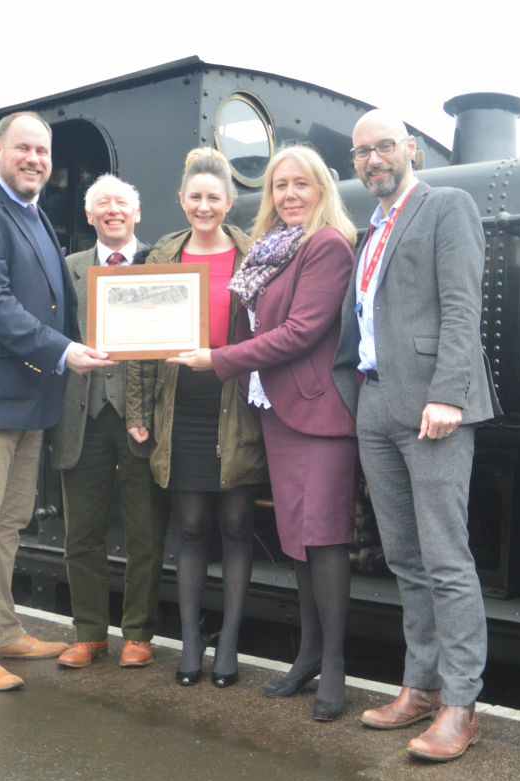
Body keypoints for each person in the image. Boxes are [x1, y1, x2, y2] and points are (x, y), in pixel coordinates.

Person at [170, 144, 359, 721]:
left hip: (319, 415)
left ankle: (335, 669)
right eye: (280, 186)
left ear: (323, 188)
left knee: (324, 541)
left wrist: (219, 359)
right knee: (299, 542)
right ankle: (307, 657)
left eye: (301, 184)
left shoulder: (326, 245)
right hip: (279, 413)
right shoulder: (275, 251)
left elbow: (301, 331)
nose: (290, 195)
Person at [332, 110, 500, 759]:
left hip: (432, 408)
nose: (373, 159)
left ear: (408, 150)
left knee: (446, 559)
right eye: (361, 152)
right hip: (375, 404)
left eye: (383, 147)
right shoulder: (369, 230)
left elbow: (462, 304)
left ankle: (461, 705)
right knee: (403, 557)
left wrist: (448, 395)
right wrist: (356, 403)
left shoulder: (445, 206)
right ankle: (421, 686)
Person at [0, 111, 114, 691]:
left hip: (26, 399)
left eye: (44, 151)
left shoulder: (34, 218)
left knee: (7, 523)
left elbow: (56, 302)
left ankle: (1, 629)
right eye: (25, 149)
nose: (36, 159)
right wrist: (64, 351)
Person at [125, 149, 268, 690]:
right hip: (181, 402)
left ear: (229, 203)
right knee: (189, 527)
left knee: (235, 526)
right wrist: (139, 412)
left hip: (237, 404)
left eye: (214, 198)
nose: (204, 206)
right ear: (182, 201)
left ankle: (228, 641)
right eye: (195, 197)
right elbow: (137, 346)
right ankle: (190, 639)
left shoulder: (255, 255)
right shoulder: (161, 257)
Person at [51, 175, 169, 670]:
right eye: (103, 204)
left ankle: (139, 633)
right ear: (90, 216)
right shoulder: (67, 268)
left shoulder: (160, 265)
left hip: (141, 418)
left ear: (137, 214)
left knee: (145, 531)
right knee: (82, 533)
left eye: (122, 203)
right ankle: (90, 633)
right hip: (81, 416)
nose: (113, 210)